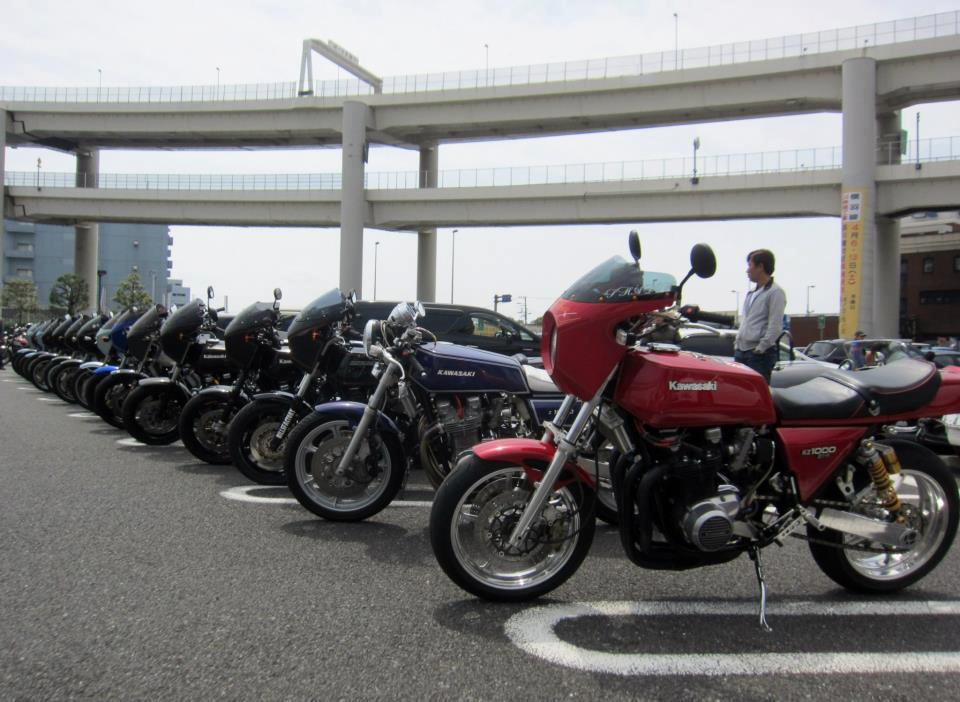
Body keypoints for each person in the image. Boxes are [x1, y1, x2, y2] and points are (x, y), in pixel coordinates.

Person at [734, 249, 787, 383]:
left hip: (758, 355)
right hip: (741, 351)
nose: (747, 270)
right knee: (739, 390)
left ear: (760, 267)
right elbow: (746, 321)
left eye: (750, 265)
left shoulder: (775, 292)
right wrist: (737, 343)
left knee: (755, 392)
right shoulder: (751, 293)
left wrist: (760, 349)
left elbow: (775, 326)